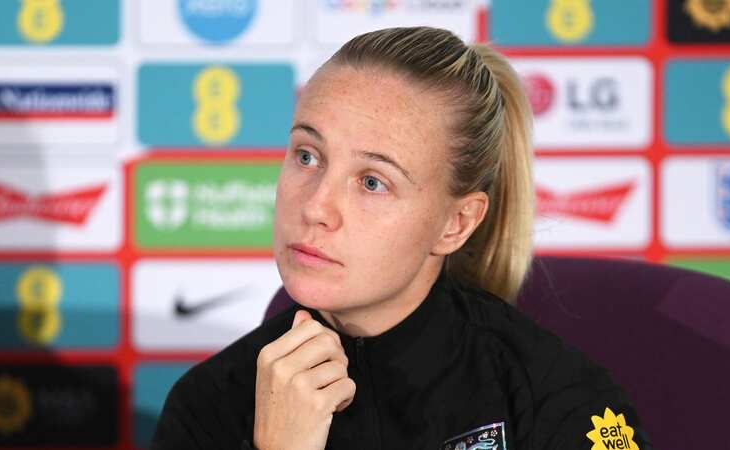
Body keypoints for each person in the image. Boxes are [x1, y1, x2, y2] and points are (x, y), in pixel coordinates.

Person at [151, 26, 653, 450]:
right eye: (307, 155)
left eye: (373, 182)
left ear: (456, 224)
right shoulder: (210, 401)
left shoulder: (557, 397)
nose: (315, 207)